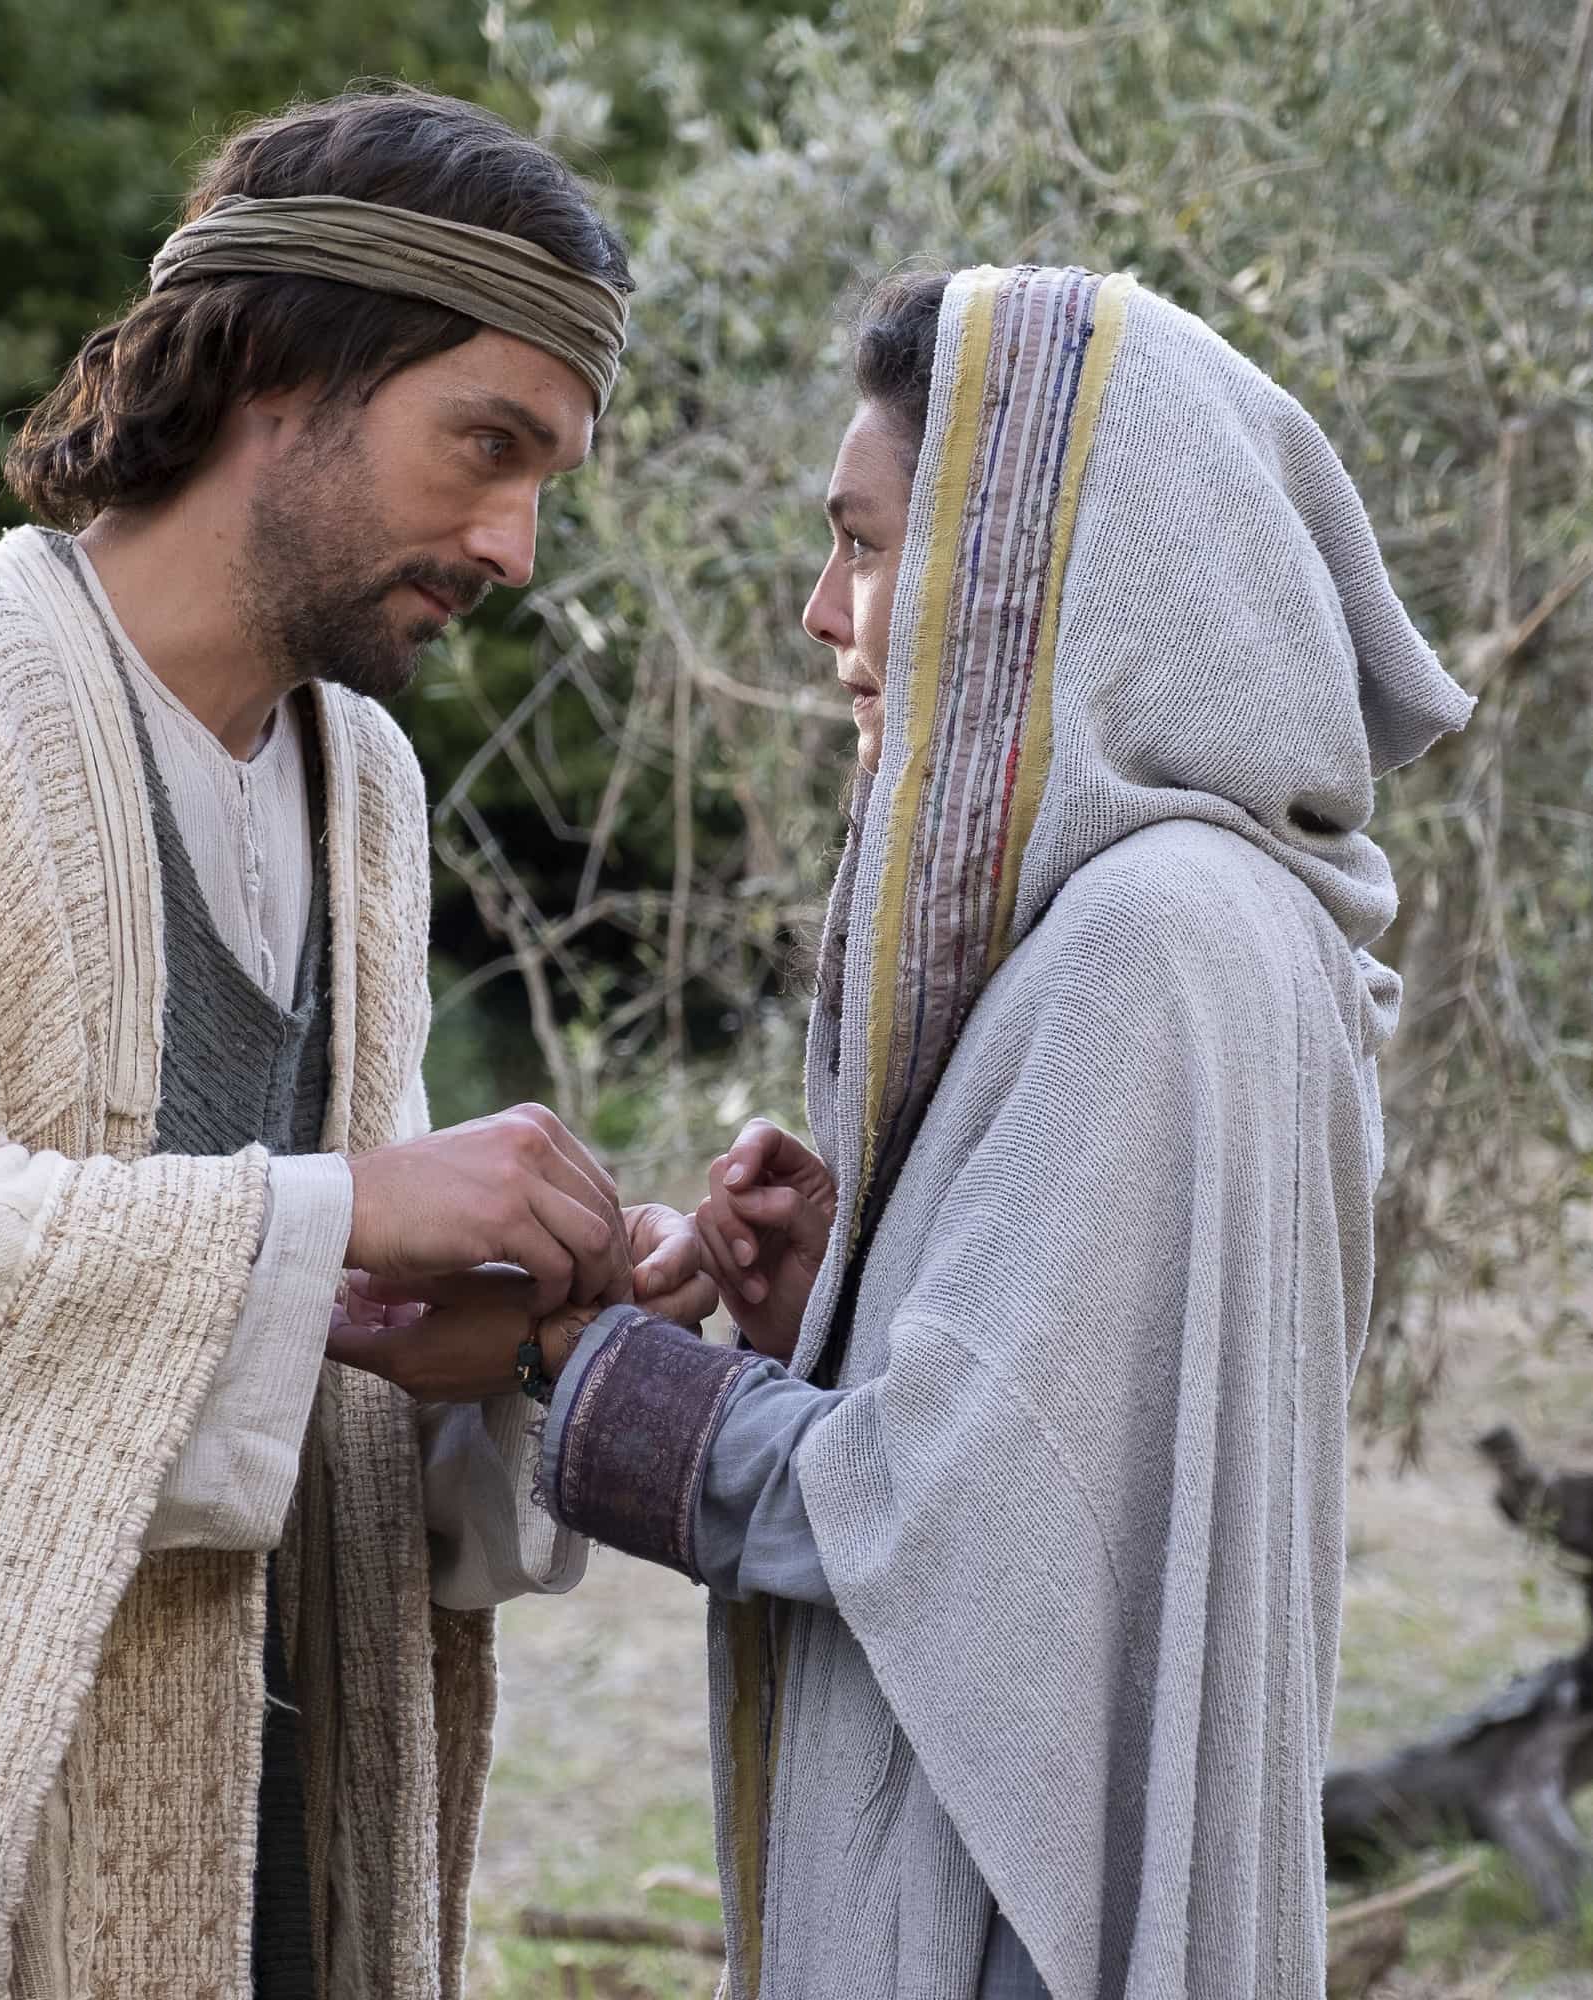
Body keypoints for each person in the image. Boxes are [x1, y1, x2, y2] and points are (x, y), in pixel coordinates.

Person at [0, 87, 713, 2000]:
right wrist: (338, 1210)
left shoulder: (366, 786)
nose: (513, 545)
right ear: (280, 363)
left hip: (265, 1838)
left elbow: (325, 1331)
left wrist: (534, 1330)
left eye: (547, 480)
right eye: (485, 446)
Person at [531, 264, 1474, 1997]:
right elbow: (1070, 1443)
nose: (824, 609)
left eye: (871, 543)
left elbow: (952, 1516)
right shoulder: (1237, 927)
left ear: (1044, 579)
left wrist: (574, 1361)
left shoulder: (1151, 937)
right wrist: (843, 1305)